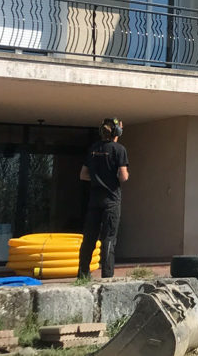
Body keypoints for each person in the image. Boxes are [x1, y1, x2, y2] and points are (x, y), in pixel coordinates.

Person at [78, 117, 129, 278]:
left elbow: (83, 175)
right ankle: (107, 275)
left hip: (95, 199)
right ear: (117, 132)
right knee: (108, 238)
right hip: (111, 200)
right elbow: (123, 176)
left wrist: (97, 178)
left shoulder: (93, 148)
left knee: (89, 238)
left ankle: (83, 274)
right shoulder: (119, 150)